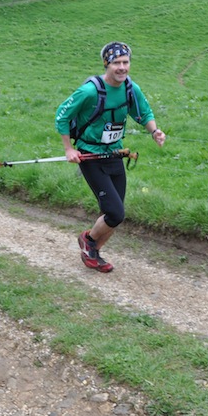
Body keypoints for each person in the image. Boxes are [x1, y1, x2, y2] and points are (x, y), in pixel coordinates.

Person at [55, 41, 166, 273]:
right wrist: (69, 149)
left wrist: (154, 131)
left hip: (115, 153)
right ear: (107, 64)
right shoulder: (89, 91)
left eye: (125, 62)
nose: (122, 67)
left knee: (115, 215)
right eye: (116, 62)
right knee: (115, 212)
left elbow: (143, 112)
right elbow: (61, 116)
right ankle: (88, 241)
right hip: (90, 156)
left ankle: (93, 251)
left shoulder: (129, 88)